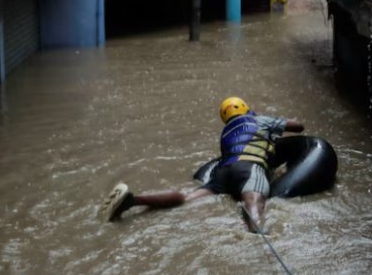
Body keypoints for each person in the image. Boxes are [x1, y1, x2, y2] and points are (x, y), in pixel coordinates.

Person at [102, 96, 305, 232]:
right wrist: (274, 119)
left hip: (223, 174)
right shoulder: (260, 120)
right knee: (255, 204)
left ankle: (132, 200)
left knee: (186, 198)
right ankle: (259, 236)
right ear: (245, 108)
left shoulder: (225, 133)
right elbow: (298, 127)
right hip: (249, 168)